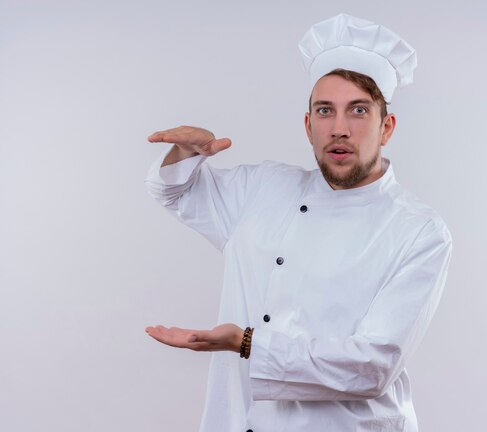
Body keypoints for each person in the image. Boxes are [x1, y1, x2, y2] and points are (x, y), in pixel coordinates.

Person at [144, 13, 452, 432]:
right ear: (309, 126)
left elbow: (372, 367)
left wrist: (247, 342)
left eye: (358, 110)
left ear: (387, 127)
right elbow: (175, 191)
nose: (339, 128)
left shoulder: (418, 231)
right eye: (325, 111)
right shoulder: (264, 188)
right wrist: (186, 153)